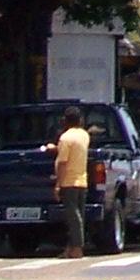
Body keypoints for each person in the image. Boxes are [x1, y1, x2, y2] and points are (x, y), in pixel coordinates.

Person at [53, 106, 91, 259]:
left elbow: (63, 163)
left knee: (73, 217)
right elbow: (74, 150)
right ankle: (70, 248)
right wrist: (56, 148)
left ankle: (77, 248)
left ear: (64, 120)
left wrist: (58, 185)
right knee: (78, 216)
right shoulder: (84, 135)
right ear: (80, 120)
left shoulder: (65, 138)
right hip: (82, 180)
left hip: (69, 182)